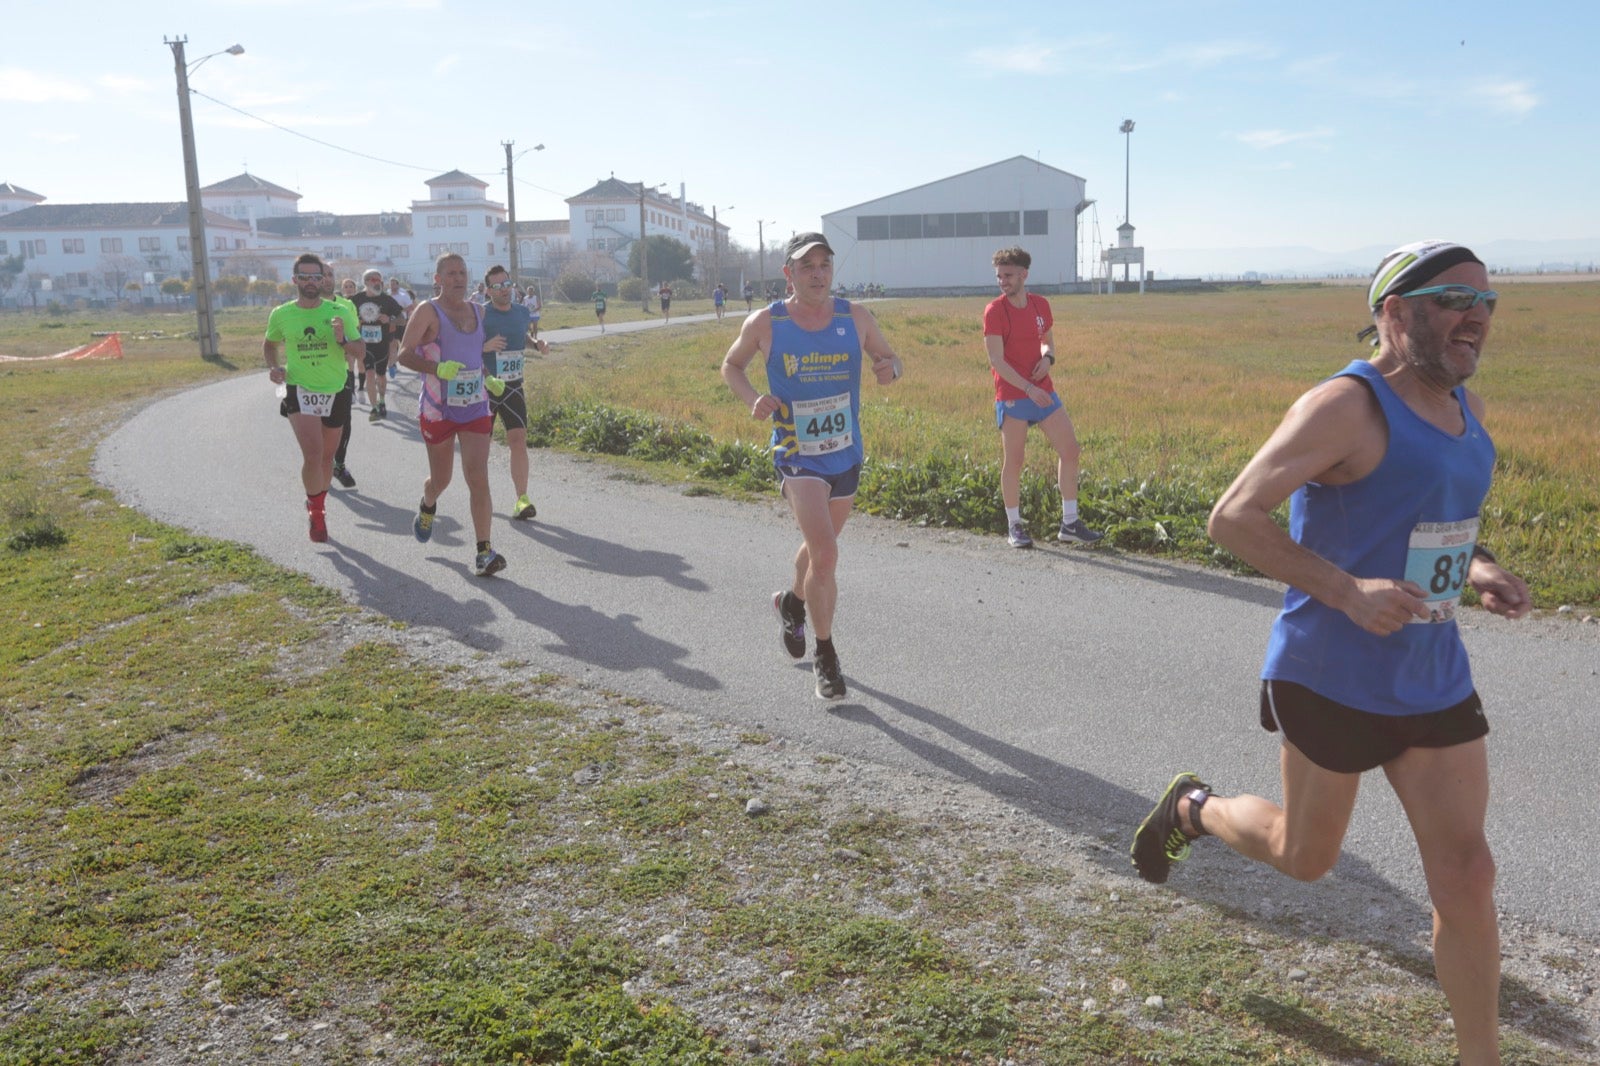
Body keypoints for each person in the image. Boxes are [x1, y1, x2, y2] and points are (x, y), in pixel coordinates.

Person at [1131, 240, 1531, 1066]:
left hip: (1432, 673)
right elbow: (1233, 516)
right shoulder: (1346, 406)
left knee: (1468, 873)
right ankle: (1192, 810)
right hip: (1331, 672)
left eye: (1487, 302)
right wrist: (1348, 591)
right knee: (1304, 858)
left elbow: (1435, 519)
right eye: (1455, 298)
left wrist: (1480, 566)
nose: (1477, 316)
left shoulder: (1468, 411)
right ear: (1394, 313)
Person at [720, 232, 904, 701]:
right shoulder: (766, 322)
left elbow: (890, 356)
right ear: (789, 274)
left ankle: (791, 602)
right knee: (825, 555)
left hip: (845, 451)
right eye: (807, 267)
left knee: (817, 549)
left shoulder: (854, 316)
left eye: (824, 265)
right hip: (796, 453)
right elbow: (732, 366)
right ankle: (826, 655)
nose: (818, 274)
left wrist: (890, 369)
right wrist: (753, 399)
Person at [395, 252, 510, 578]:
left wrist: (487, 377)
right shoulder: (427, 311)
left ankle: (484, 552)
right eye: (451, 273)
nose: (458, 278)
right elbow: (404, 354)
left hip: (474, 405)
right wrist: (436, 368)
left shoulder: (477, 310)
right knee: (442, 479)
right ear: (438, 279)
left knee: (478, 476)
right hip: (438, 408)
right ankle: (428, 503)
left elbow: (473, 354)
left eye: (462, 272)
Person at [983, 247, 1103, 549]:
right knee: (1015, 460)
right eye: (999, 276)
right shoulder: (994, 311)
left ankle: (1070, 523)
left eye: (1008, 275)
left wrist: (1047, 359)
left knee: (1070, 450)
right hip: (1014, 394)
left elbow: (1046, 342)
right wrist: (1027, 388)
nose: (1002, 281)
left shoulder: (1040, 306)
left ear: (1024, 274)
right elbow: (996, 361)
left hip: (1043, 390)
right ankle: (1014, 525)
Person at [261, 253, 363, 542]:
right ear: (294, 280)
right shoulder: (281, 314)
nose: (309, 282)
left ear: (323, 280)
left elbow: (360, 351)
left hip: (335, 388)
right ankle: (317, 515)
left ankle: (317, 501)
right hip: (299, 388)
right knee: (313, 453)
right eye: (303, 277)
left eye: (315, 277)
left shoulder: (339, 312)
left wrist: (343, 338)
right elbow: (269, 344)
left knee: (327, 458)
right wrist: (273, 367)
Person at [481, 264, 549, 521]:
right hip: (486, 388)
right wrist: (485, 345)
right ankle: (480, 495)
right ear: (489, 290)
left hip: (513, 387)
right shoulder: (480, 314)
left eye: (507, 284)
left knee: (518, 440)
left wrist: (536, 344)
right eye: (497, 286)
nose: (504, 290)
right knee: (481, 447)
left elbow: (523, 336)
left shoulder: (521, 312)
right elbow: (464, 347)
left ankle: (522, 499)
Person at [322, 271, 363, 487]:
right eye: (321, 275)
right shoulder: (295, 308)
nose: (326, 279)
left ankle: (338, 464)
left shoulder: (345, 307)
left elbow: (355, 340)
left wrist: (344, 342)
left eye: (330, 275)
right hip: (310, 376)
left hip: (342, 372)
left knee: (344, 421)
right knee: (317, 424)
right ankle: (321, 465)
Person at [352, 268, 405, 421]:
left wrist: (390, 320)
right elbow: (346, 318)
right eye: (374, 280)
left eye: (380, 281)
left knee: (380, 375)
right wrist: (357, 322)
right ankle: (374, 407)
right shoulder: (356, 299)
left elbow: (402, 319)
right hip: (364, 344)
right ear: (366, 282)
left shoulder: (387, 300)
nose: (378, 283)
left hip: (382, 344)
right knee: (369, 373)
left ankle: (382, 401)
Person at [387, 277, 414, 381]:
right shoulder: (387, 295)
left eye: (394, 283)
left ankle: (405, 358)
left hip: (401, 322)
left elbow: (411, 307)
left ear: (398, 285)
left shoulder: (403, 296)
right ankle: (392, 365)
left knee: (402, 343)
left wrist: (400, 310)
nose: (392, 285)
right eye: (391, 283)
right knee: (392, 344)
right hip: (390, 322)